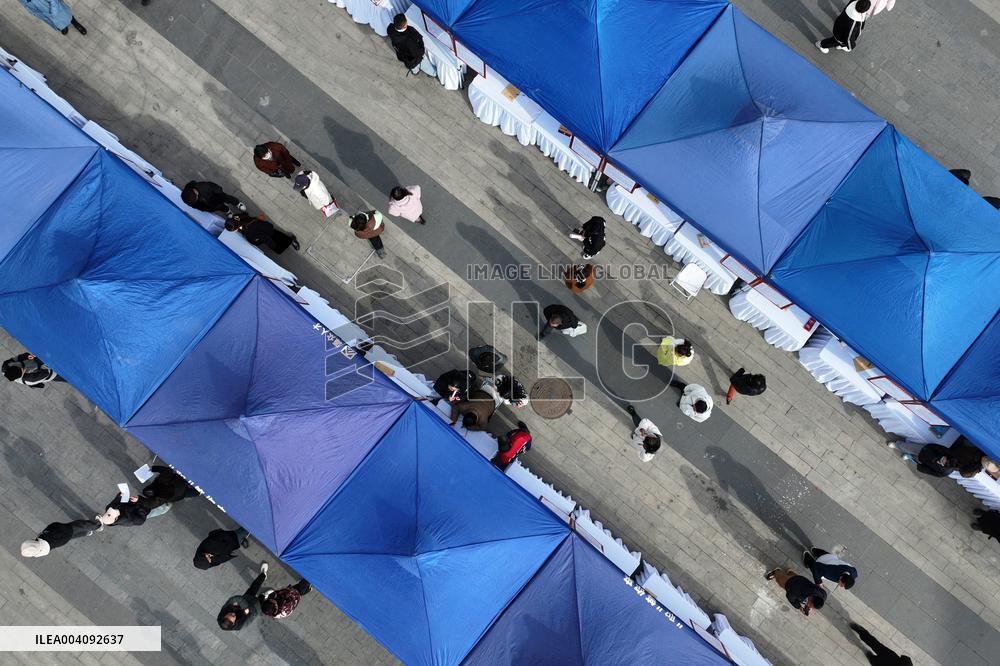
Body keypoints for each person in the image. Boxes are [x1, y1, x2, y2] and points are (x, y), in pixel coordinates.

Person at [888, 439, 983, 477]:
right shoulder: (946, 472)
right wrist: (920, 467)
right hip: (924, 456)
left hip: (925, 451)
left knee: (910, 448)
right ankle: (904, 452)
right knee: (913, 452)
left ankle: (898, 445)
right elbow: (928, 471)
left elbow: (940, 448)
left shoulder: (952, 457)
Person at [218, 562, 269, 631]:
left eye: (229, 614)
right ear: (233, 623)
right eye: (233, 616)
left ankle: (263, 575)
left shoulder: (222, 614)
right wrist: (247, 610)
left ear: (224, 616)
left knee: (253, 588)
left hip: (246, 599)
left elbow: (234, 599)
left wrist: (245, 608)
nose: (232, 613)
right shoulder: (241, 625)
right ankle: (264, 595)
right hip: (255, 607)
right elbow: (252, 615)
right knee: (261, 600)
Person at [225, 213, 300, 253]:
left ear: (236, 229)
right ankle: (291, 240)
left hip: (264, 236)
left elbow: (256, 242)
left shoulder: (248, 234)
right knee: (278, 235)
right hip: (264, 226)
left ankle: (288, 242)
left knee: (277, 247)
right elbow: (245, 214)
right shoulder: (236, 217)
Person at [20, 519, 99, 558]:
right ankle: (97, 525)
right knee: (80, 524)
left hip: (65, 538)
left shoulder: (40, 552)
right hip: (66, 531)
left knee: (74, 534)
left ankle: (85, 533)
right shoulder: (46, 538)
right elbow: (56, 527)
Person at [18, 0, 86, 35]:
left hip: (56, 8)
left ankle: (75, 23)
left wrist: (54, 13)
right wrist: (35, 14)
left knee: (66, 16)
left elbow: (53, 0)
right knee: (58, 22)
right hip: (45, 15)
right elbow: (27, 6)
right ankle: (63, 26)